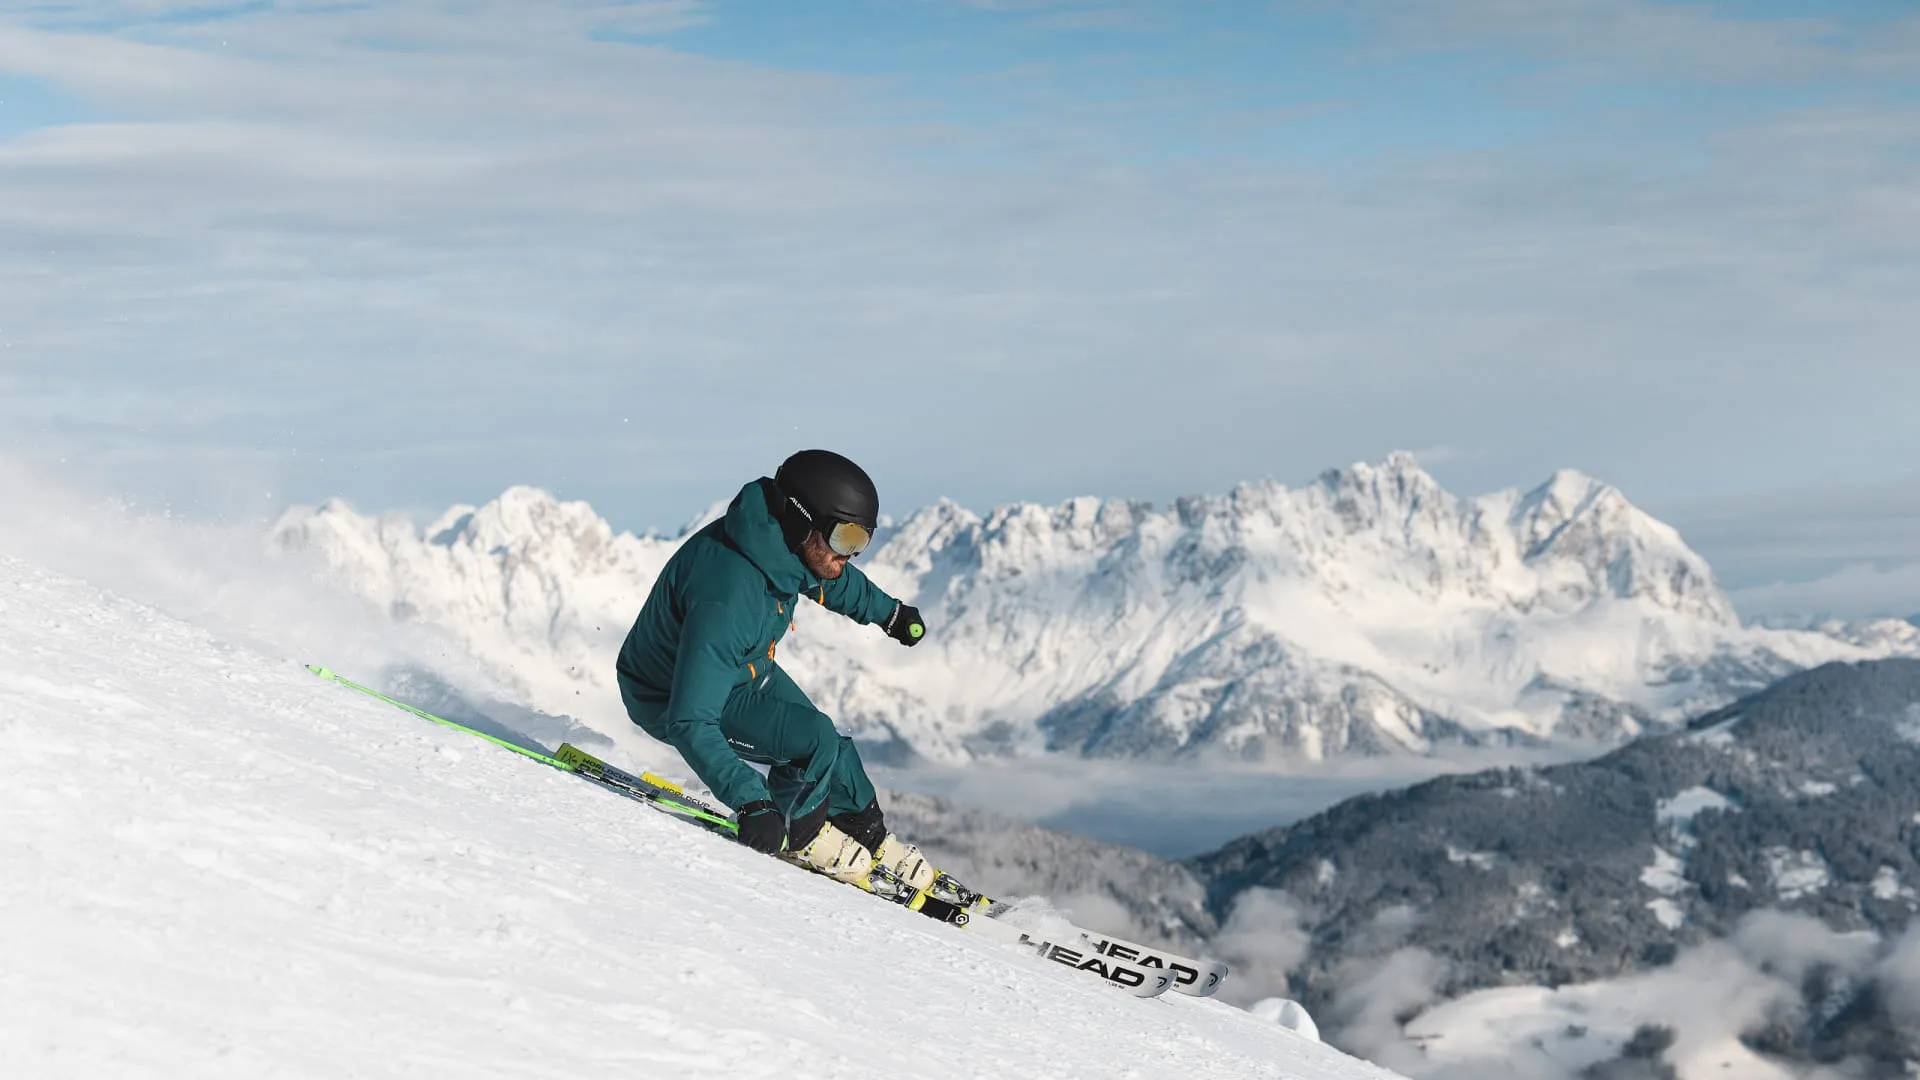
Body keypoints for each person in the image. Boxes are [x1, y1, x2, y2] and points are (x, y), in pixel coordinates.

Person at [615, 449, 935, 892]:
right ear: (803, 520)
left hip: (742, 670)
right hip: (667, 693)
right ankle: (800, 835)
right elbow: (689, 720)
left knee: (833, 751)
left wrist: (890, 614)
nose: (851, 554)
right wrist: (752, 803)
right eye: (845, 538)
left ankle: (866, 834)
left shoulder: (784, 546)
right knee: (812, 742)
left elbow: (834, 580)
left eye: (861, 540)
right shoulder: (728, 595)